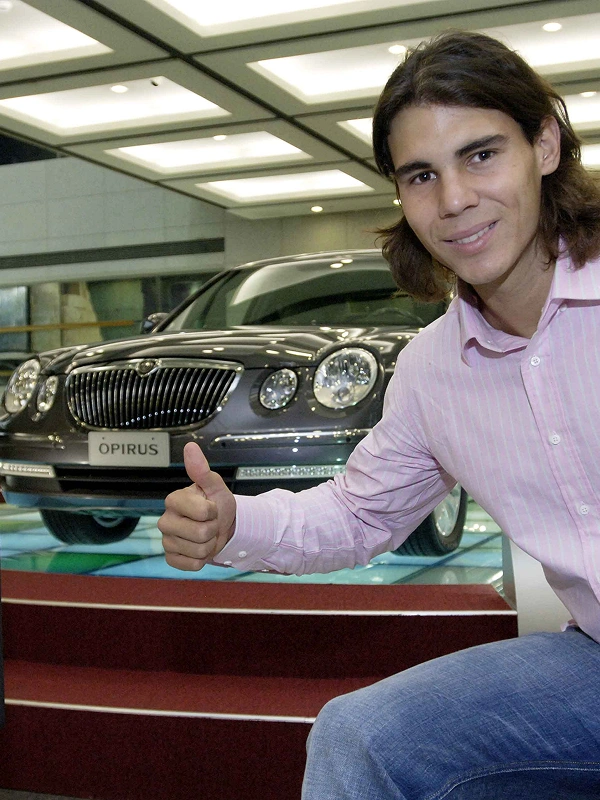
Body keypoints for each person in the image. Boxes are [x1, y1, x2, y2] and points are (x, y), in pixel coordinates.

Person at [158, 30, 600, 799]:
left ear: (545, 145)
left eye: (481, 154)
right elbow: (361, 513)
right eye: (422, 175)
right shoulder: (432, 370)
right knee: (359, 736)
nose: (454, 200)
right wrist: (233, 526)